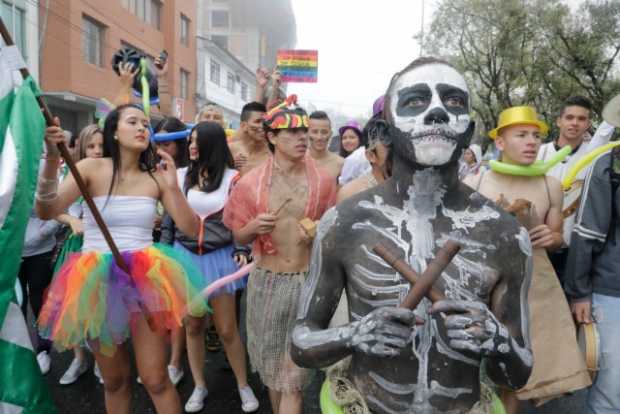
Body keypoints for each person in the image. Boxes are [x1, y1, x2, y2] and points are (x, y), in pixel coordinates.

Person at [290, 57, 533, 414]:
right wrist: (354, 335)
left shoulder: (505, 234)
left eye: (453, 102)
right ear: (385, 131)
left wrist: (497, 343)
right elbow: (301, 342)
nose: (438, 112)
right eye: (416, 100)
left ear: (468, 131)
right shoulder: (344, 222)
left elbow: (518, 373)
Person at [36, 104, 208, 414]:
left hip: (145, 277)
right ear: (114, 131)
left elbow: (191, 228)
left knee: (156, 378)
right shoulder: (90, 167)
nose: (143, 127)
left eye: (146, 123)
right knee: (115, 380)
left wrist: (172, 187)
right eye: (134, 122)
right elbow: (46, 210)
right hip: (96, 280)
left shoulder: (156, 177)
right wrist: (51, 158)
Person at [465, 106, 590, 412]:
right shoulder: (476, 182)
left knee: (514, 374)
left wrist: (552, 237)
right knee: (469, 368)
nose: (532, 142)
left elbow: (558, 237)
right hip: (481, 283)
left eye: (535, 135)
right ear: (500, 142)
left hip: (533, 287)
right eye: (521, 135)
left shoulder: (550, 185)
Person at [224, 96, 337, 414]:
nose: (302, 138)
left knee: (293, 380)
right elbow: (237, 236)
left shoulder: (324, 182)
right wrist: (253, 227)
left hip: (308, 283)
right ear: (272, 137)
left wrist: (319, 230)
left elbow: (337, 232)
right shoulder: (250, 185)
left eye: (305, 131)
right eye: (292, 132)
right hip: (267, 284)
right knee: (275, 376)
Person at [161, 122, 259, 412]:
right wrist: (165, 252)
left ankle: (243, 385)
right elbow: (170, 219)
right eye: (190, 141)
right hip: (184, 256)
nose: (191, 146)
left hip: (220, 258)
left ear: (212, 144)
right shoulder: (179, 177)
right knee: (192, 325)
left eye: (197, 141)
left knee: (227, 328)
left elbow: (240, 220)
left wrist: (241, 250)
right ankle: (199, 386)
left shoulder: (234, 179)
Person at [565, 100, 620, 414]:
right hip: (613, 293)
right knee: (610, 394)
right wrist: (580, 291)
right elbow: (586, 233)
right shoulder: (609, 165)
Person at [537, 96, 615, 284]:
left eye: (581, 119)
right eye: (569, 117)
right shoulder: (539, 153)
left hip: (574, 254)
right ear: (559, 121)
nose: (575, 123)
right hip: (538, 248)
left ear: (588, 123)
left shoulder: (594, 157)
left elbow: (608, 126)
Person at [53, 124, 105, 385]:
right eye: (91, 146)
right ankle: (79, 359)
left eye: (101, 146)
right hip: (75, 250)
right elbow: (53, 207)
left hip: (101, 252)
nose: (96, 151)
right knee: (72, 309)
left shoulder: (110, 174)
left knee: (100, 309)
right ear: (82, 148)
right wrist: (71, 221)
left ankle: (101, 362)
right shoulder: (71, 174)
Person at [337, 114, 391, 203]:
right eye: (344, 138)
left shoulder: (356, 158)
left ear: (360, 139)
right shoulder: (348, 159)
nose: (347, 140)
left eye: (352, 137)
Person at [229, 102, 270, 176]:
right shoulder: (230, 149)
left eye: (265, 122)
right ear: (243, 125)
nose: (263, 126)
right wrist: (229, 166)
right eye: (258, 121)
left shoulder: (273, 153)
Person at [307, 110, 344, 180]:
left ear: (330, 134)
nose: (319, 137)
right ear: (307, 133)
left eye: (324, 132)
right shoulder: (297, 160)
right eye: (315, 132)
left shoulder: (340, 163)